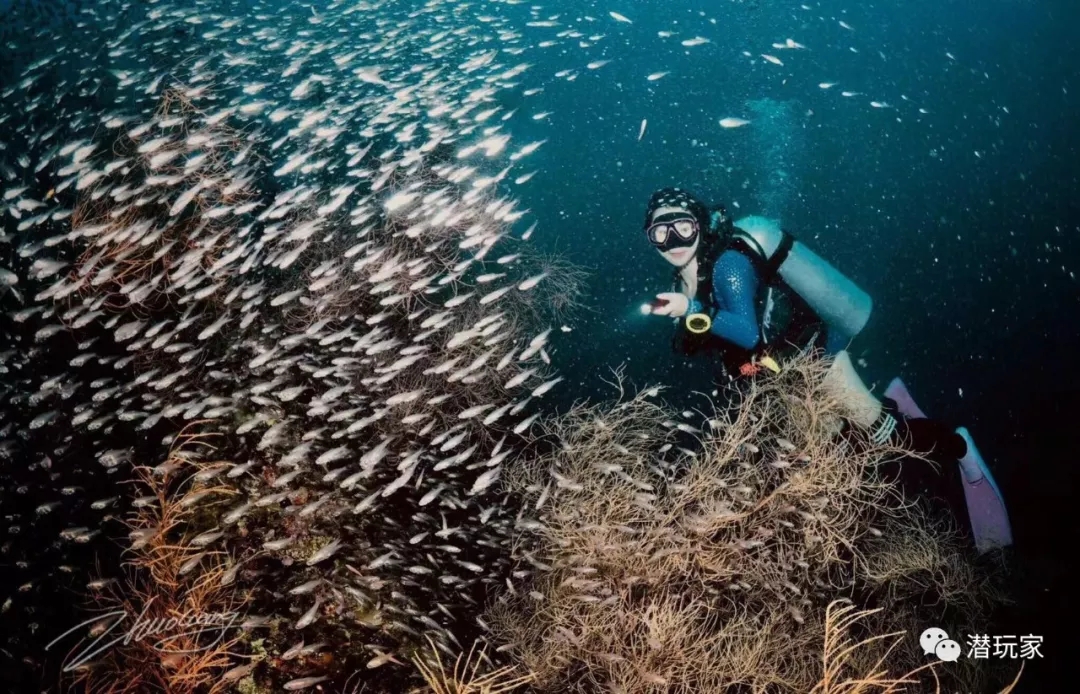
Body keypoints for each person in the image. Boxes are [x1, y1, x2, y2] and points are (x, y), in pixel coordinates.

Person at [640, 187, 1012, 554]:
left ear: (700, 225)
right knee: (835, 450)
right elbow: (713, 337)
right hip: (786, 374)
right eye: (660, 232)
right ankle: (890, 404)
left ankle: (961, 448)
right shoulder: (690, 276)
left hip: (816, 357)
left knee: (887, 439)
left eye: (682, 227)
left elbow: (747, 331)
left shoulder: (728, 266)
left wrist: (691, 311)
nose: (673, 240)